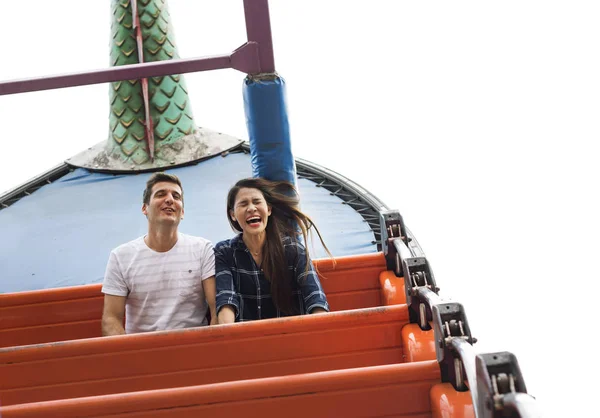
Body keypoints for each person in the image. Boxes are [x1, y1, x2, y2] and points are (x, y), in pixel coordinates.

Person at [101, 172, 216, 335]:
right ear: (144, 208)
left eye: (176, 196)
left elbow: (216, 308)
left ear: (182, 212)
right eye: (160, 194)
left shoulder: (202, 249)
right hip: (142, 352)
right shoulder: (120, 256)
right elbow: (111, 319)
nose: (170, 199)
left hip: (193, 351)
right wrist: (128, 358)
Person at [215, 178, 331, 323]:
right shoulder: (224, 252)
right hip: (247, 341)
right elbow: (226, 300)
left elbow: (315, 298)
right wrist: (228, 338)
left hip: (291, 339)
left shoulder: (293, 249)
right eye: (243, 204)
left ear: (268, 209)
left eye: (257, 202)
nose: (251, 208)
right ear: (233, 215)